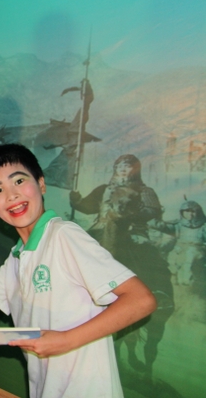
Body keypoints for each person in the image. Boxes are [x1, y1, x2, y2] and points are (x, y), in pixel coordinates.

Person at [0, 143, 156, 398]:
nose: (12, 195)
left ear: (41, 184)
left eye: (19, 181)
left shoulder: (63, 235)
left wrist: (66, 340)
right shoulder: (16, 258)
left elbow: (141, 300)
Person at [69, 154, 173, 377]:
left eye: (129, 166)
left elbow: (152, 210)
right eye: (121, 166)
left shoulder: (144, 190)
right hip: (101, 230)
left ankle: (159, 294)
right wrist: (76, 201)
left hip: (132, 232)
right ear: (115, 168)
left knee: (151, 257)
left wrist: (130, 214)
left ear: (136, 170)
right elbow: (87, 207)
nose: (124, 169)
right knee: (73, 253)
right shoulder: (104, 189)